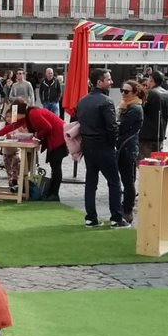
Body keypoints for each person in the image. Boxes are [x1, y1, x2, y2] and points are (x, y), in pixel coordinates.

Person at [74, 68, 126, 228]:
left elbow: (79, 123)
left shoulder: (83, 101)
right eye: (108, 79)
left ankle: (91, 217)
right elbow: (112, 127)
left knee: (91, 182)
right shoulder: (106, 101)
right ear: (99, 82)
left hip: (88, 145)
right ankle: (116, 218)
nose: (111, 82)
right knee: (114, 182)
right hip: (103, 145)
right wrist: (113, 144)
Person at [0, 97, 67, 202]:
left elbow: (47, 128)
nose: (13, 117)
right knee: (54, 166)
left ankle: (54, 194)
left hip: (58, 138)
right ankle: (51, 193)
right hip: (55, 138)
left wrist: (36, 137)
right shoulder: (27, 115)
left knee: (56, 166)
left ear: (19, 112)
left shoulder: (33, 113)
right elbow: (13, 126)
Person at [117, 81, 145, 223]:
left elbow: (121, 128)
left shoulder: (135, 108)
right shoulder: (124, 106)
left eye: (126, 91)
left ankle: (127, 210)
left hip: (128, 148)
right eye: (122, 90)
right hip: (124, 146)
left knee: (128, 181)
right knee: (126, 180)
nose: (123, 93)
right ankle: (124, 208)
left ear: (134, 92)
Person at [139, 70, 168, 159]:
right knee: (156, 164)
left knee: (145, 164)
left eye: (149, 79)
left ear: (151, 80)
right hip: (160, 134)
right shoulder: (166, 94)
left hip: (147, 136)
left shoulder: (151, 93)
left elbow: (141, 110)